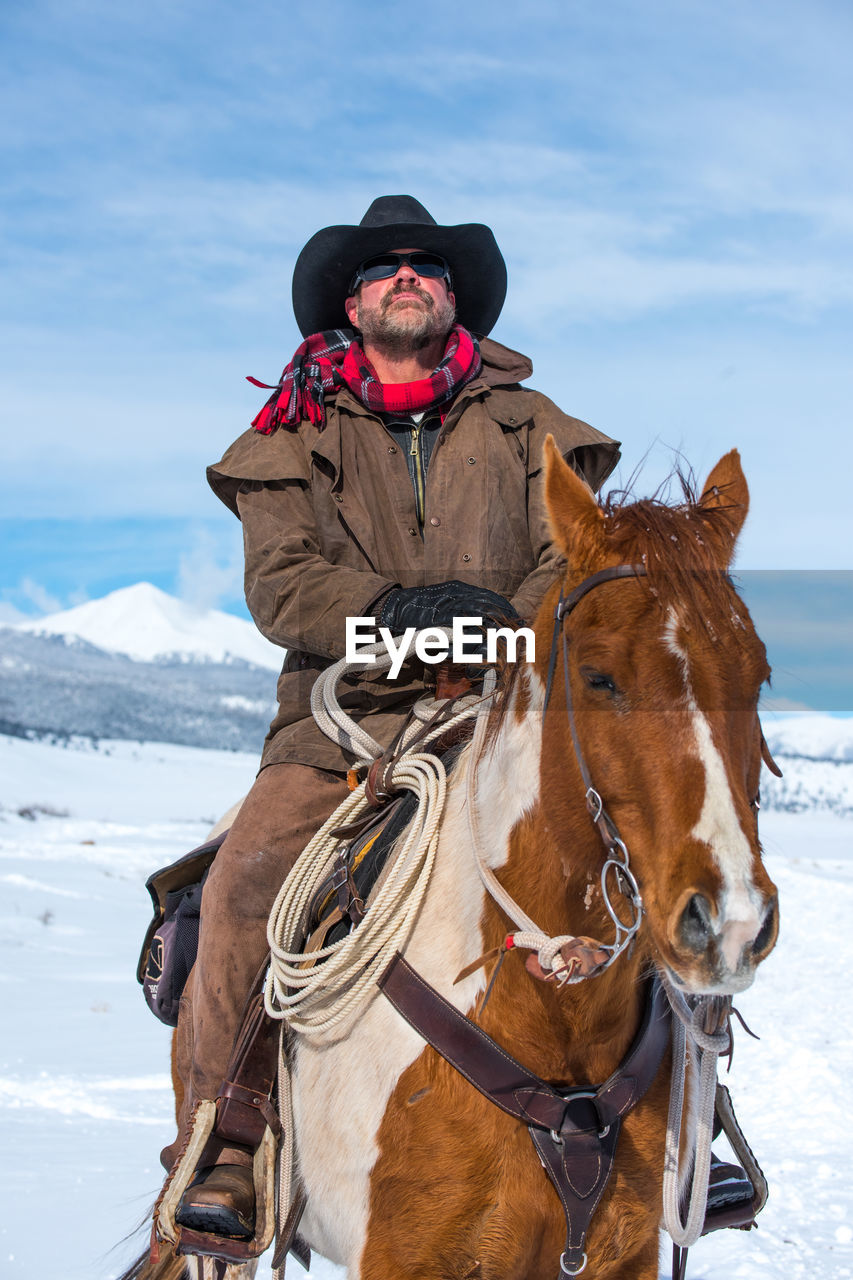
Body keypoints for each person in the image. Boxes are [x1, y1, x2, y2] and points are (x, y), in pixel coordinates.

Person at [165, 195, 620, 1241]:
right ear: (351, 300)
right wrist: (392, 616)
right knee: (244, 887)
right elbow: (282, 585)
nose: (405, 275)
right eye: (383, 267)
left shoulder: (535, 428)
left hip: (507, 714)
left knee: (636, 856)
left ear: (451, 296)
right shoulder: (290, 434)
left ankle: (693, 1123)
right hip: (339, 730)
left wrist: (495, 632)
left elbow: (576, 557)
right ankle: (226, 1142)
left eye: (426, 265)